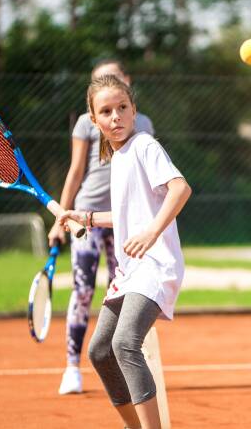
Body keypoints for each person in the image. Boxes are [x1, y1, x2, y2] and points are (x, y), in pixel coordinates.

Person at [58, 74, 191, 429]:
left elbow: (180, 189)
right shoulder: (117, 158)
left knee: (125, 344)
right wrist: (84, 216)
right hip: (130, 271)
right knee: (100, 352)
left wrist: (152, 231)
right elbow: (128, 215)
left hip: (156, 265)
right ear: (93, 120)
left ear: (134, 111)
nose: (115, 116)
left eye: (122, 108)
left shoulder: (145, 145)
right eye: (106, 111)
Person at [50, 60, 155, 395]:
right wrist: (61, 216)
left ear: (127, 82)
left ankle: (124, 363)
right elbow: (75, 170)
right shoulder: (86, 123)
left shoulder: (142, 124)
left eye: (115, 77)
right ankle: (71, 367)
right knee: (82, 290)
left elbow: (146, 173)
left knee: (123, 293)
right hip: (87, 217)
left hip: (125, 221)